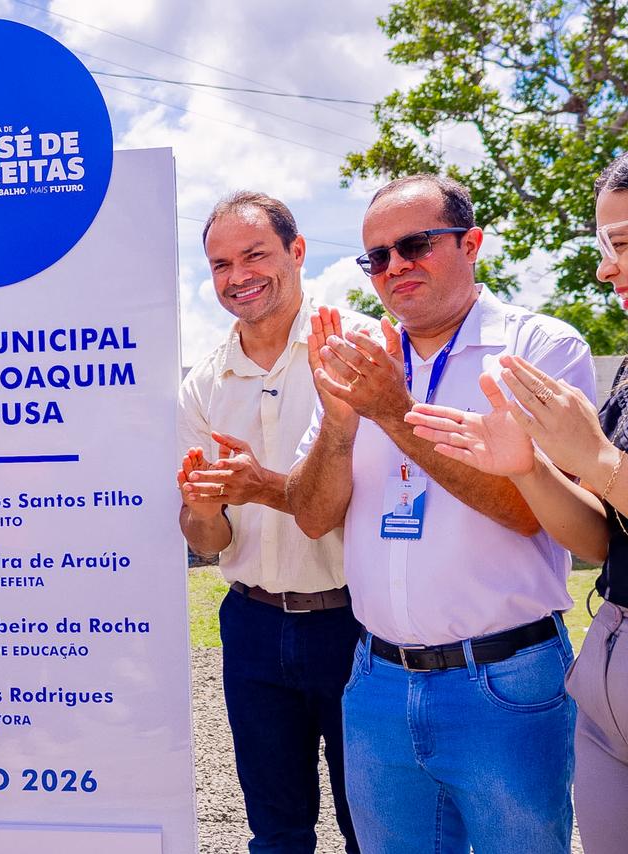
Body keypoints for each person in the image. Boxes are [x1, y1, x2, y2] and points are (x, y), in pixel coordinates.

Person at [287, 174, 595, 854]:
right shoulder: (359, 364)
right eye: (377, 257)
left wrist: (393, 412)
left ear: (472, 244)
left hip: (506, 683)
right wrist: (342, 422)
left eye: (415, 245)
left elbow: (531, 513)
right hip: (376, 685)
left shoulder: (539, 352)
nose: (394, 267)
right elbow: (312, 518)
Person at [403, 152, 628, 854]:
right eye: (603, 246)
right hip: (607, 687)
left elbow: (607, 475)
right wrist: (530, 470)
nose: (603, 269)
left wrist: (597, 461)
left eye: (620, 245)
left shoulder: (544, 342)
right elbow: (601, 542)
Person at [178, 191, 367, 853]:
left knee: (369, 826)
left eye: (255, 254)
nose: (238, 276)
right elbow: (208, 539)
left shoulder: (355, 349)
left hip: (357, 623)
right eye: (220, 264)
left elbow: (342, 508)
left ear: (298, 251)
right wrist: (203, 512)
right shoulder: (204, 383)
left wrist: (262, 484)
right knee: (276, 832)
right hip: (253, 624)